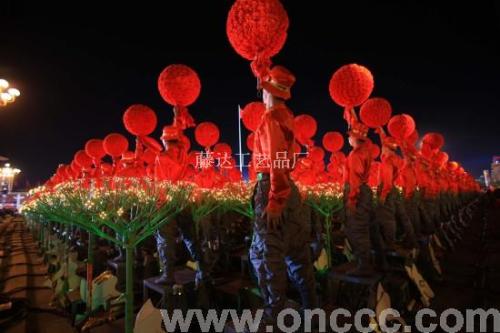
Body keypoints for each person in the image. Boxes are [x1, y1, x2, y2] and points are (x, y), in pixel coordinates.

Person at [249, 65, 317, 322]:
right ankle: (312, 309)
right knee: (298, 254)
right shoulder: (286, 115)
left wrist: (275, 198)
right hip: (289, 188)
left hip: (273, 187)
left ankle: (274, 313)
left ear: (267, 92)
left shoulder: (270, 118)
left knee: (266, 256)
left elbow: (276, 158)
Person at [153, 125, 206, 287]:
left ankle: (168, 274)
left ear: (164, 141)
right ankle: (203, 270)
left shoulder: (162, 158)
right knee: (191, 237)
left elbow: (161, 183)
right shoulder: (184, 155)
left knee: (165, 239)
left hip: (168, 202)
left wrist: (159, 204)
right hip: (184, 200)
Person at [344, 113, 375, 276]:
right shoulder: (366, 151)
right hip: (365, 191)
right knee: (362, 229)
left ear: (354, 138)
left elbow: (354, 179)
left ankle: (363, 267)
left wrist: (351, 199)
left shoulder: (356, 154)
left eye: (350, 136)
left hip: (358, 193)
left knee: (356, 230)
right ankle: (366, 263)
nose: (348, 139)